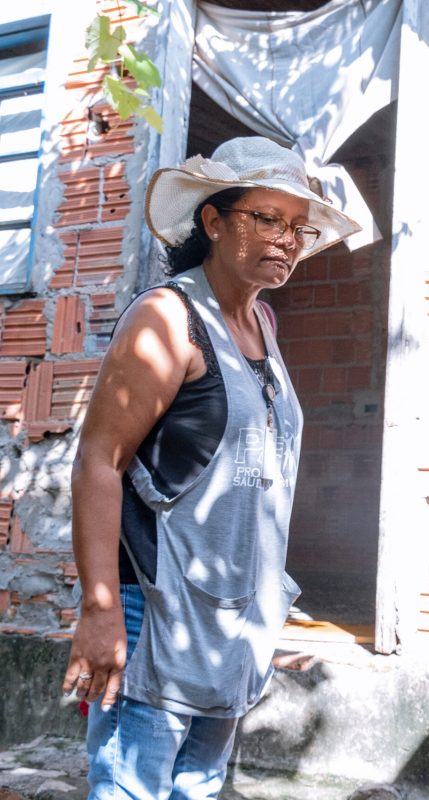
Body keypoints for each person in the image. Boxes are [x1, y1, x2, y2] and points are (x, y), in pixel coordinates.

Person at [63, 137, 359, 798]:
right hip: (157, 619)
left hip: (229, 627)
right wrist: (101, 608)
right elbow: (98, 463)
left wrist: (261, 619)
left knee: (196, 787)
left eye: (296, 225)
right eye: (265, 218)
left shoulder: (264, 324)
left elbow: (253, 482)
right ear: (214, 219)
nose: (286, 239)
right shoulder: (167, 320)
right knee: (131, 788)